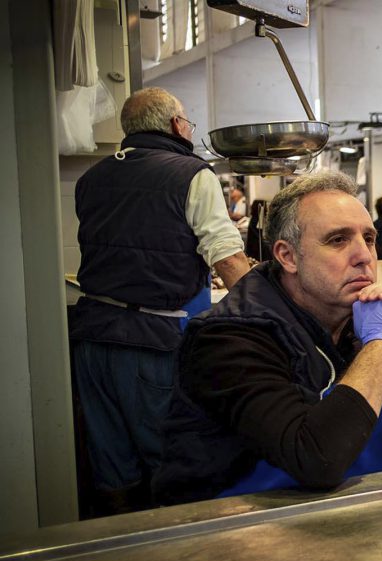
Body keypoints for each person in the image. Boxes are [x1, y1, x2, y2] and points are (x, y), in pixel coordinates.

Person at [152, 172, 382, 505]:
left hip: (344, 516)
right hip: (231, 531)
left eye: (368, 238)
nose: (363, 256)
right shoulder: (230, 337)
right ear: (287, 256)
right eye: (338, 240)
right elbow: (315, 459)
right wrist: (380, 344)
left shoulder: (355, 320)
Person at [70, 86, 251, 514]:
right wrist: (274, 307)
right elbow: (226, 255)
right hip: (150, 343)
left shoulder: (90, 178)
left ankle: (118, 556)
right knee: (168, 457)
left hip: (91, 337)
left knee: (110, 461)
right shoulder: (191, 173)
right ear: (175, 125)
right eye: (187, 119)